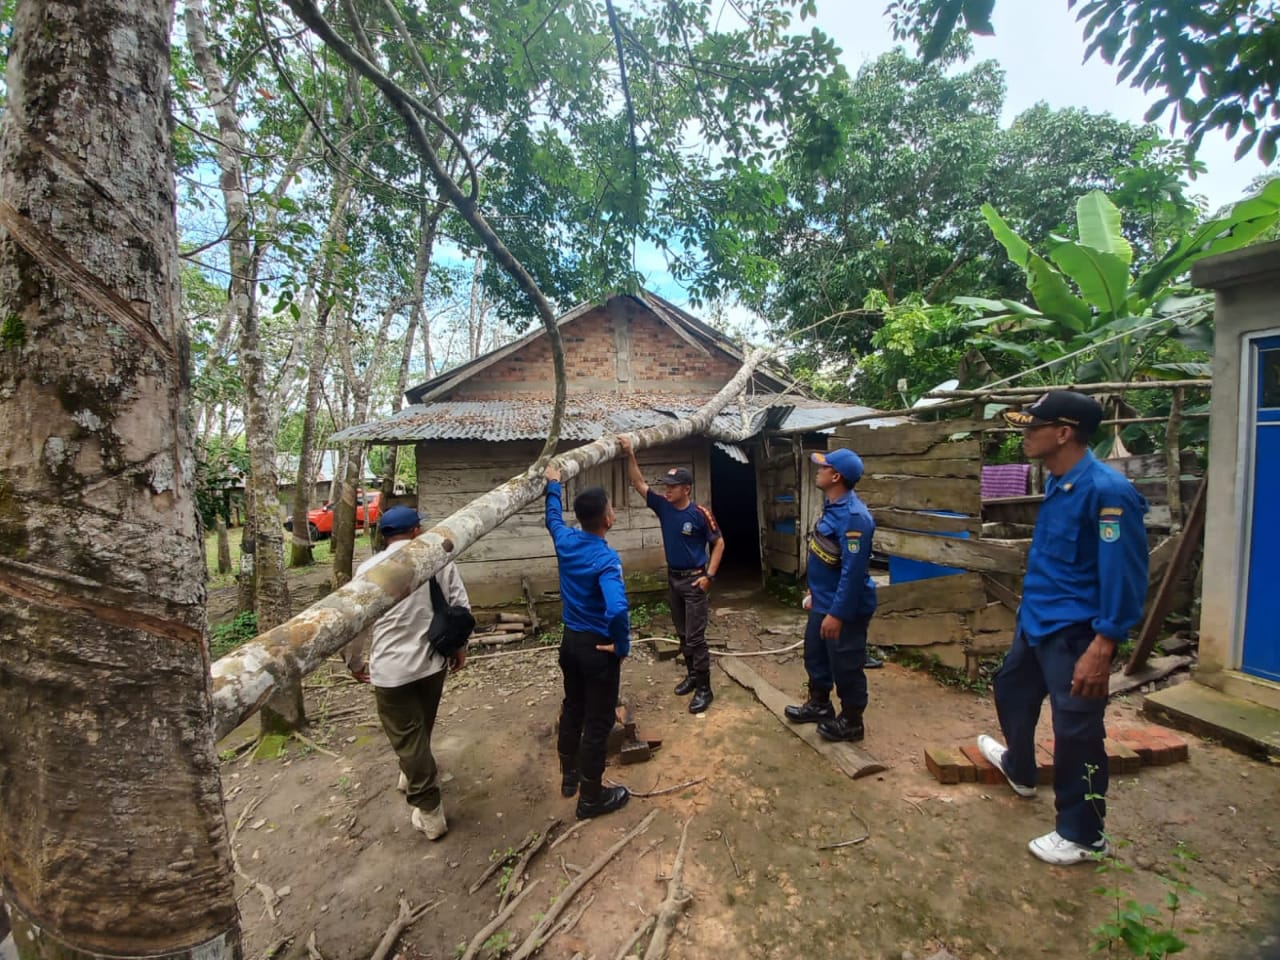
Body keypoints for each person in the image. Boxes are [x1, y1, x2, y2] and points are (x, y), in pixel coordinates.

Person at [977, 391, 1148, 865]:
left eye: (1033, 426)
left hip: (1076, 635)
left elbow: (1126, 575)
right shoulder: (1058, 481)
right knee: (1011, 689)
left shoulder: (1108, 493)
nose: (1025, 434)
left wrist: (1105, 643)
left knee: (1077, 733)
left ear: (1064, 432)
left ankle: (1083, 835)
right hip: (1037, 622)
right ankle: (1020, 766)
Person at [353, 505, 470, 841]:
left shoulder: (368, 569)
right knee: (418, 729)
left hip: (391, 671)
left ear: (384, 535)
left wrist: (355, 662)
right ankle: (411, 771)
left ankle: (430, 813)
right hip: (432, 663)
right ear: (417, 531)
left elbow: (355, 623)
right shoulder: (437, 559)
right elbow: (460, 607)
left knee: (408, 734)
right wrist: (460, 647)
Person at [543, 464, 632, 820]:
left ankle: (570, 778)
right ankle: (591, 798)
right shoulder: (606, 559)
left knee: (573, 708)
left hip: (570, 645)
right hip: (598, 650)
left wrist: (553, 484)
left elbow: (552, 518)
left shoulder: (566, 541)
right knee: (598, 722)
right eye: (611, 507)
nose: (613, 511)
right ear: (607, 520)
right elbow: (617, 609)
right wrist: (621, 646)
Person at [618, 436, 724, 714]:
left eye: (672, 486)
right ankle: (691, 676)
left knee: (696, 638)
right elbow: (639, 484)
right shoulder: (663, 507)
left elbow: (719, 543)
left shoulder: (700, 513)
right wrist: (630, 454)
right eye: (666, 485)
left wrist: (709, 577)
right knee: (681, 632)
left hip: (695, 580)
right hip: (674, 578)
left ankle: (704, 688)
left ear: (686, 489)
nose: (667, 490)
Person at [784, 448, 877, 742]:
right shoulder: (833, 506)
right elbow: (827, 555)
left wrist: (837, 614)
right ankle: (820, 704)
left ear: (835, 476)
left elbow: (852, 574)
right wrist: (814, 591)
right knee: (815, 654)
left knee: (846, 663)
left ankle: (851, 721)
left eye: (823, 467)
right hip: (823, 600)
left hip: (844, 607)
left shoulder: (854, 517)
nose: (817, 470)